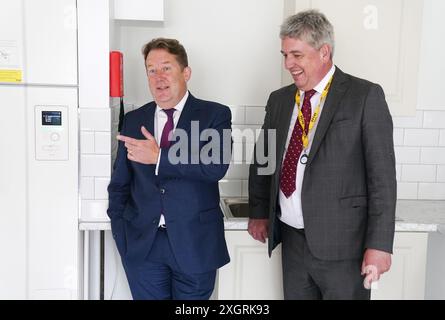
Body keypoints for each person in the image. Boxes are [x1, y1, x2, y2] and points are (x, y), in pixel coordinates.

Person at [248, 10, 396, 300]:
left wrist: (380, 245)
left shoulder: (364, 96)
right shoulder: (279, 100)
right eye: (285, 55)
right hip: (292, 241)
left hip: (344, 247)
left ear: (324, 52)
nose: (288, 64)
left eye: (296, 55)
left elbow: (382, 179)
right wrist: (258, 210)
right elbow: (263, 159)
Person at [107, 38, 231, 300]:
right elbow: (120, 184)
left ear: (185, 72)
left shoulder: (214, 115)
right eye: (151, 70)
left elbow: (215, 166)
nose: (158, 77)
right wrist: (122, 232)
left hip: (195, 245)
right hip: (143, 248)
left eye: (166, 68)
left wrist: (160, 157)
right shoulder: (133, 120)